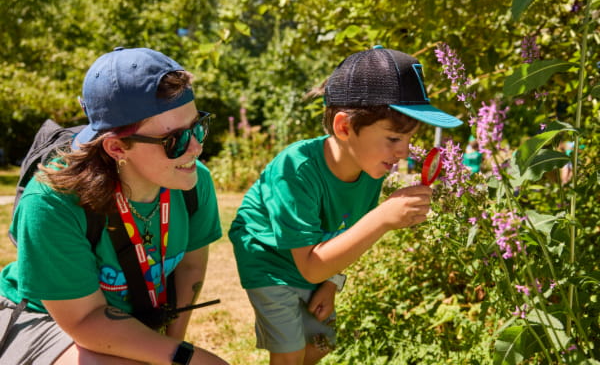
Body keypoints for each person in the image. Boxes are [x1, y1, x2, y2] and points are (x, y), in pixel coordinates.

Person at [228, 46, 463, 365]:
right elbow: (311, 265)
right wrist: (383, 217)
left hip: (312, 256)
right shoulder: (295, 170)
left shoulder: (370, 170)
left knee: (319, 345)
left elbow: (346, 235)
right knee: (290, 351)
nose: (405, 153)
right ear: (344, 127)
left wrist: (331, 282)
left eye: (409, 140)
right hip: (267, 256)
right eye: (394, 139)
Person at [0, 47, 229, 365]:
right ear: (117, 147)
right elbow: (85, 319)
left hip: (116, 322)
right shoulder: (51, 203)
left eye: (198, 126)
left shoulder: (192, 181)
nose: (196, 147)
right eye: (175, 140)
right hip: (40, 318)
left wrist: (174, 348)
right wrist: (187, 359)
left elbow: (190, 268)